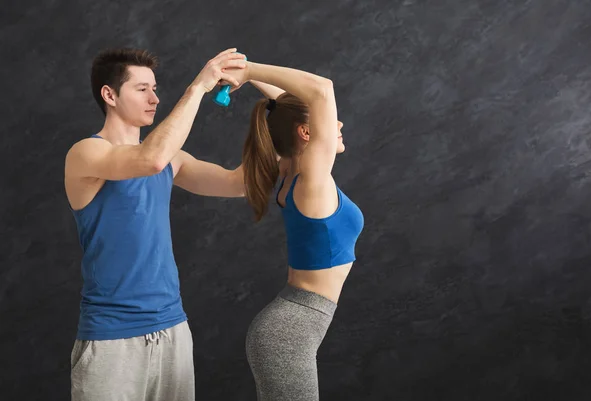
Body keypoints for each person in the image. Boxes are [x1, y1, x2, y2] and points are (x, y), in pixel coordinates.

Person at [64, 47, 247, 401]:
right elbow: (149, 159)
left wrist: (274, 115)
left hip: (173, 328)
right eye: (142, 89)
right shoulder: (86, 154)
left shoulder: (171, 160)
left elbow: (239, 183)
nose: (155, 98)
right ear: (109, 95)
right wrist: (198, 88)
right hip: (112, 338)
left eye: (155, 88)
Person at [232, 61, 365, 400]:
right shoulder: (311, 180)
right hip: (289, 333)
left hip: (289, 328)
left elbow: (284, 112)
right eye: (329, 119)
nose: (339, 122)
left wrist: (256, 82)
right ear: (306, 133)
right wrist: (246, 70)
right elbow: (321, 90)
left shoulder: (293, 172)